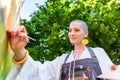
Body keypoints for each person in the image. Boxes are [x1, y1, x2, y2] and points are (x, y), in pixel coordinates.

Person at [6, 20, 113, 80]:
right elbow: (38, 72)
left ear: (86, 33)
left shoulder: (98, 52)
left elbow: (112, 74)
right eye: (70, 30)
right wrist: (19, 49)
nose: (72, 33)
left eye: (76, 30)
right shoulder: (62, 60)